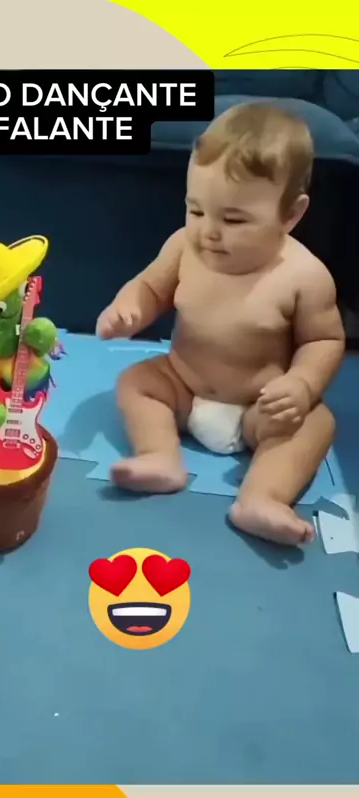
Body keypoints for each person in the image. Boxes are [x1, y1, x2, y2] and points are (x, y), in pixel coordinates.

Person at [96, 102, 345, 546]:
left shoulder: (304, 276)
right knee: (136, 382)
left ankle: (263, 497)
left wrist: (302, 385)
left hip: (257, 410)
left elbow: (323, 339)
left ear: (291, 215)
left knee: (316, 423)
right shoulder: (184, 247)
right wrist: (128, 308)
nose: (208, 230)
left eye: (233, 219)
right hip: (183, 386)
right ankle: (159, 457)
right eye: (196, 210)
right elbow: (151, 288)